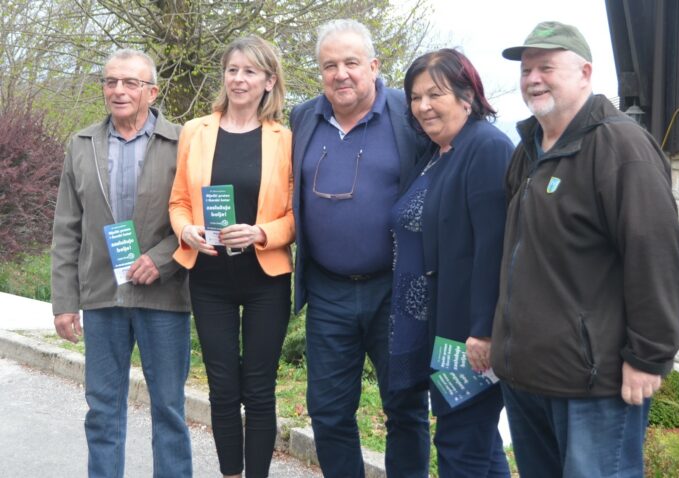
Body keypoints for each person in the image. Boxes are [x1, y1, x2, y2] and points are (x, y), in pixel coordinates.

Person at [491, 21, 679, 477]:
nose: (532, 78)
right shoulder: (530, 148)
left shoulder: (621, 147)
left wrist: (648, 357)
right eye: (525, 70)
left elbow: (655, 254)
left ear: (584, 72)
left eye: (546, 67)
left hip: (594, 384)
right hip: (528, 377)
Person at [290, 19, 430, 478]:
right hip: (328, 291)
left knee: (405, 407)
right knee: (328, 412)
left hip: (395, 288)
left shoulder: (408, 116)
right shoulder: (303, 118)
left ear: (374, 65)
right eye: (329, 65)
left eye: (351, 62)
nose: (341, 74)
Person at [51, 49, 192, 477]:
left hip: (163, 295)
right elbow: (66, 229)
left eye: (130, 82)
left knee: (168, 409)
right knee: (102, 409)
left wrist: (163, 259)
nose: (118, 90)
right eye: (111, 82)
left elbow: (195, 215)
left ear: (152, 90)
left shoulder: (184, 141)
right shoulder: (81, 144)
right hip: (101, 295)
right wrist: (64, 301)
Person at [168, 36, 293, 478]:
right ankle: (230, 473)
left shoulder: (286, 139)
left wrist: (262, 232)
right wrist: (187, 230)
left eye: (250, 71)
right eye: (232, 70)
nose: (239, 79)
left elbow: (298, 216)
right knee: (222, 389)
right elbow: (179, 200)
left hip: (266, 278)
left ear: (268, 81)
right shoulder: (195, 131)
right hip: (209, 277)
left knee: (259, 390)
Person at [391, 48, 513, 478]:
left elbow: (493, 247)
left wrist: (483, 330)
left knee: (461, 445)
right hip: (439, 330)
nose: (423, 106)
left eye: (435, 94)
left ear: (467, 97)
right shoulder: (438, 152)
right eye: (415, 96)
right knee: (478, 446)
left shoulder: (486, 148)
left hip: (468, 337)